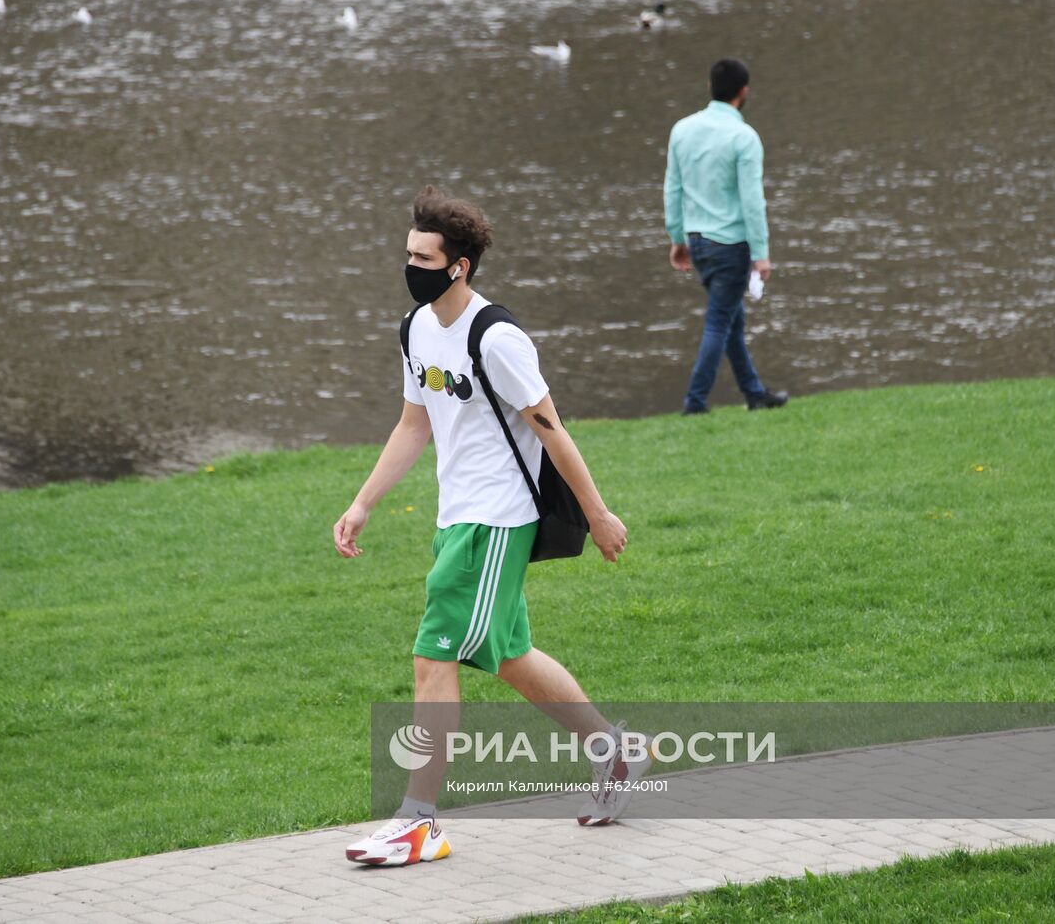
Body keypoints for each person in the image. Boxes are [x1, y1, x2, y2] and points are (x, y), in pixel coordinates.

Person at [334, 186, 649, 867]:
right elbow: (413, 423)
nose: (409, 265)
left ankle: (419, 820)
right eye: (407, 252)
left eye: (423, 256)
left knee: (433, 655)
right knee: (508, 655)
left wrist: (598, 513)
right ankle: (616, 753)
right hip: (456, 518)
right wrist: (363, 503)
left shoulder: (496, 337)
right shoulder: (416, 329)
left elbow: (552, 430)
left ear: (460, 266)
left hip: (497, 519)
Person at [665, 58, 789, 415]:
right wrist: (762, 253)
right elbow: (753, 200)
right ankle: (695, 403)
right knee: (720, 321)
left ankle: (754, 393)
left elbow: (672, 188)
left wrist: (677, 238)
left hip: (699, 241)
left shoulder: (682, 130)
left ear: (709, 88)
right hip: (731, 244)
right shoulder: (743, 137)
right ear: (744, 92)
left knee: (732, 319)